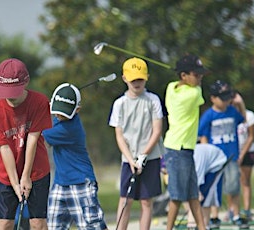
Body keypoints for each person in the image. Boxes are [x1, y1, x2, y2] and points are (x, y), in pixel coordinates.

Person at [0, 58, 52, 230]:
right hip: (6, 174)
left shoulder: (39, 102)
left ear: (26, 82)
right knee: (5, 223)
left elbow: (32, 139)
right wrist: (16, 183)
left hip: (37, 171)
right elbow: (5, 148)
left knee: (38, 223)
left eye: (14, 91)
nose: (10, 96)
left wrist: (26, 176)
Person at [108, 57, 164, 230]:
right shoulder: (120, 104)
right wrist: (131, 159)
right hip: (129, 159)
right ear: (125, 78)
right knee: (125, 200)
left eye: (140, 78)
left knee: (147, 201)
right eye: (133, 79)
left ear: (146, 77)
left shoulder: (153, 100)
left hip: (150, 156)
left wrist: (143, 155)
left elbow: (157, 130)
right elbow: (119, 135)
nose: (137, 82)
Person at [43, 83, 108, 230]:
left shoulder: (69, 129)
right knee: (53, 226)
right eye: (57, 112)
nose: (59, 116)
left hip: (81, 183)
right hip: (60, 183)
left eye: (64, 114)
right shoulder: (57, 120)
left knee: (91, 226)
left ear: (77, 110)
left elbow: (39, 136)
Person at [163, 54, 208, 230]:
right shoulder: (192, 94)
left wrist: (185, 78)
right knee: (176, 196)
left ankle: (202, 228)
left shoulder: (170, 88)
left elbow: (177, 84)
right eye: (196, 75)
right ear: (183, 75)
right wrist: (192, 82)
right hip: (178, 148)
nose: (200, 78)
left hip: (183, 148)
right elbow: (198, 92)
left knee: (192, 194)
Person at [198, 80, 246, 229]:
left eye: (227, 97)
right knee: (214, 189)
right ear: (213, 98)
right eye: (222, 97)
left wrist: (240, 104)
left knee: (233, 187)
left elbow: (243, 119)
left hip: (231, 156)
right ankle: (214, 216)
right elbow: (203, 136)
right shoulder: (209, 115)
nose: (226, 100)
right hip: (215, 160)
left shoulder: (232, 111)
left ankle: (236, 214)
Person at [185, 143, 228, 229]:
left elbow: (198, 178)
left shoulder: (197, 159)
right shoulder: (184, 160)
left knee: (207, 195)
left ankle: (205, 224)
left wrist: (197, 192)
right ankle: (193, 223)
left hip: (216, 163)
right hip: (206, 162)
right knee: (196, 195)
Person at [237, 108, 254, 220]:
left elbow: (251, 136)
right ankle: (233, 210)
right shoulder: (229, 114)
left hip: (248, 151)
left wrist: (242, 154)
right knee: (232, 183)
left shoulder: (249, 115)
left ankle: (247, 210)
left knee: (245, 181)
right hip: (234, 151)